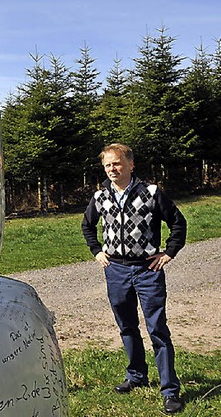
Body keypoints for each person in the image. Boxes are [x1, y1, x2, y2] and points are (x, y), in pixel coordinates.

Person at [81, 143, 187, 415]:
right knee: (127, 326)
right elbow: (87, 225)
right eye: (107, 165)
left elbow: (178, 222)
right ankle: (137, 375)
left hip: (147, 270)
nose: (112, 169)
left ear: (130, 164)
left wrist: (168, 253)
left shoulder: (151, 193)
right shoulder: (100, 195)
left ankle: (170, 391)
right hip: (115, 270)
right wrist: (96, 251)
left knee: (157, 330)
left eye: (116, 163)